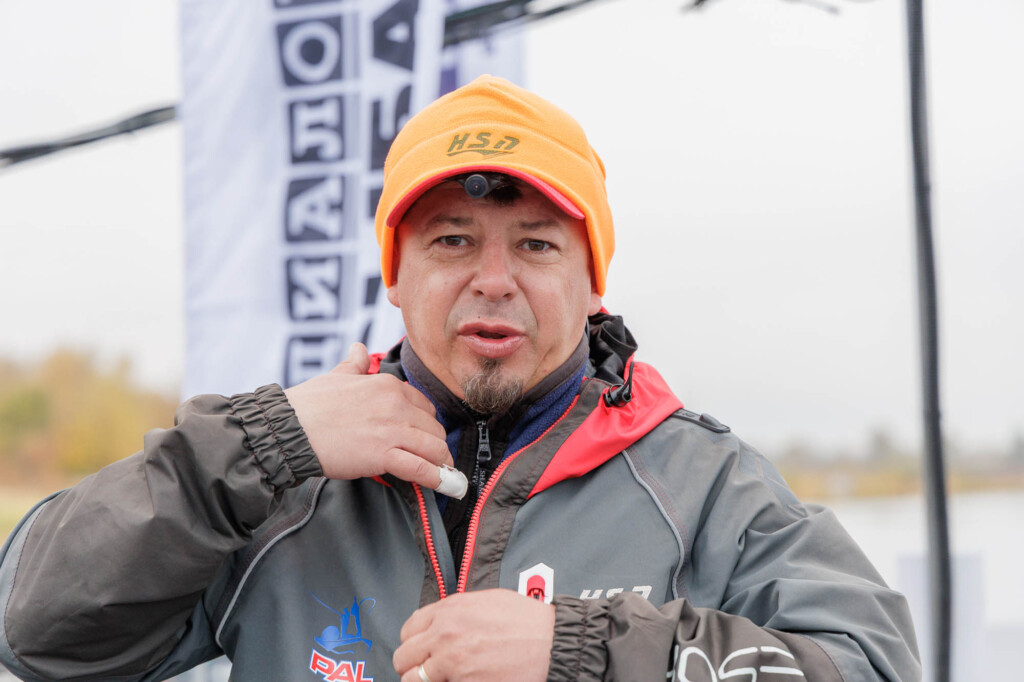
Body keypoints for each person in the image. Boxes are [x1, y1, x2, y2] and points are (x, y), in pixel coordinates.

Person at [0, 76, 918, 682]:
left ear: (593, 282)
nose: (494, 279)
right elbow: (36, 636)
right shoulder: (273, 479)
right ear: (394, 277)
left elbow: (873, 663)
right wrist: (260, 444)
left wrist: (588, 653)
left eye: (537, 245)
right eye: (451, 240)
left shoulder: (703, 484)